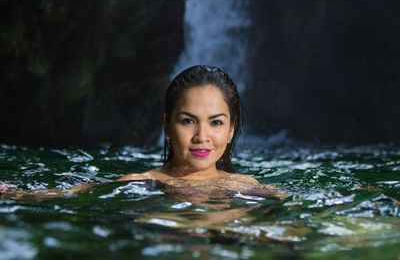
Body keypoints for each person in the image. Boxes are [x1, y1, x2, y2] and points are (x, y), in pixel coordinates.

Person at [0, 65, 285, 200]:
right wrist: (15, 194)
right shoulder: (144, 182)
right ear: (167, 126)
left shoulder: (246, 186)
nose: (202, 136)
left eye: (216, 122)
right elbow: (73, 194)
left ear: (232, 129)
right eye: (187, 121)